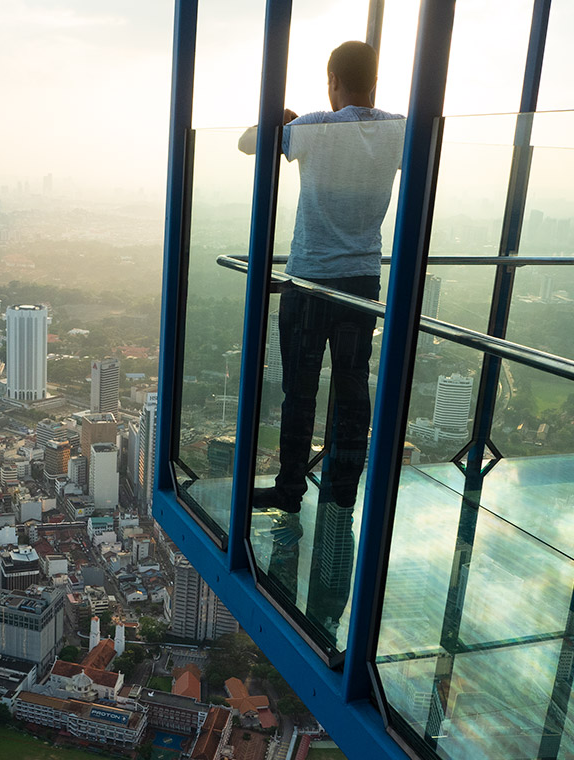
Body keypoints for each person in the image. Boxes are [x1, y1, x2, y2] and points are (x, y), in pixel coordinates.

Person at [239, 41, 404, 636]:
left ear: (332, 80)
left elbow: (247, 145)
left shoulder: (311, 129)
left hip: (309, 279)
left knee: (300, 391)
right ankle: (341, 486)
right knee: (353, 386)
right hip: (362, 278)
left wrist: (279, 119)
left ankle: (288, 487)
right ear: (374, 81)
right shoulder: (399, 131)